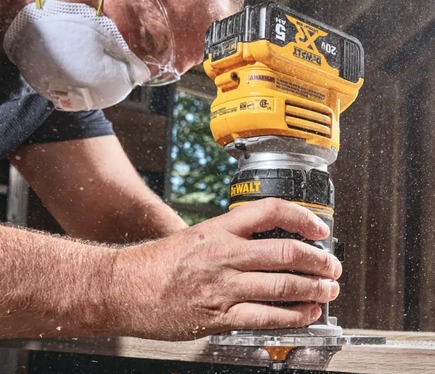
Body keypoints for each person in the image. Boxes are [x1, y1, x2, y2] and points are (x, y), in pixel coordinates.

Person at [0, 0, 342, 340]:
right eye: (148, 36)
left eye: (158, 74)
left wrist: (223, 271)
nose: (132, 73)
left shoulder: (51, 83)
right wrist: (122, 284)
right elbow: (136, 279)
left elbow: (120, 214)